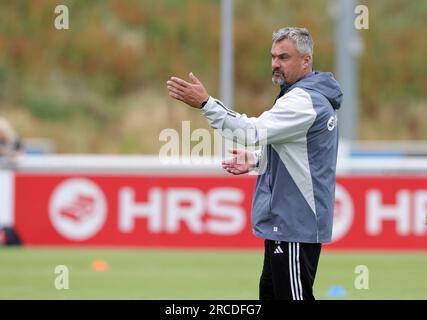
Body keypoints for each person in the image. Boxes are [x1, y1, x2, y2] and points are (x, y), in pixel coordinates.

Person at [167, 27, 342, 300]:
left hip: (294, 223)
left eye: (284, 57)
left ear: (306, 60)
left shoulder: (303, 101)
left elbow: (249, 131)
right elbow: (303, 155)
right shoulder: (304, 96)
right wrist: (260, 161)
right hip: (285, 223)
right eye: (273, 56)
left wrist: (205, 103)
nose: (275, 64)